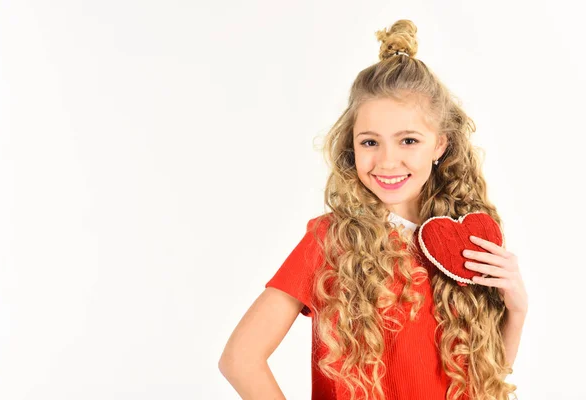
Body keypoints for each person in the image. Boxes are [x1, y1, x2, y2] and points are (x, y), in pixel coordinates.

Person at [218, 19, 528, 400]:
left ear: (440, 146)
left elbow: (484, 379)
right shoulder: (331, 239)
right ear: (352, 145)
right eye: (370, 142)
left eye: (408, 140)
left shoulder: (463, 239)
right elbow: (241, 358)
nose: (387, 161)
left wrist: (516, 310)